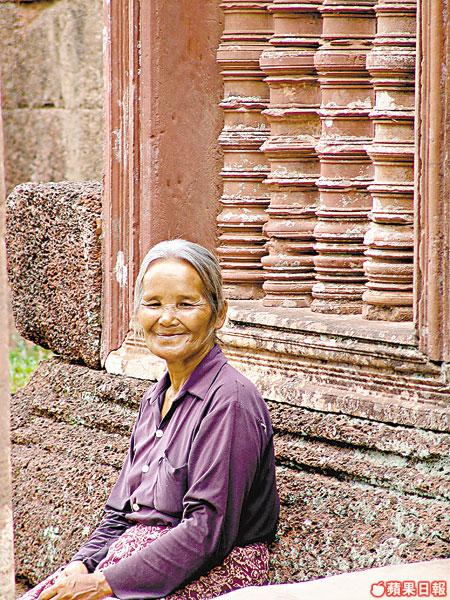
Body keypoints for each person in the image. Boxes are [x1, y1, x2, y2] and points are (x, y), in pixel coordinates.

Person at [22, 239, 279, 600]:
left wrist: (102, 583)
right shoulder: (155, 399)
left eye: (186, 304)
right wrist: (82, 565)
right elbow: (119, 513)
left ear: (219, 314)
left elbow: (207, 531)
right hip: (133, 561)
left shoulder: (230, 401)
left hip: (211, 570)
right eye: (153, 304)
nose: (167, 318)